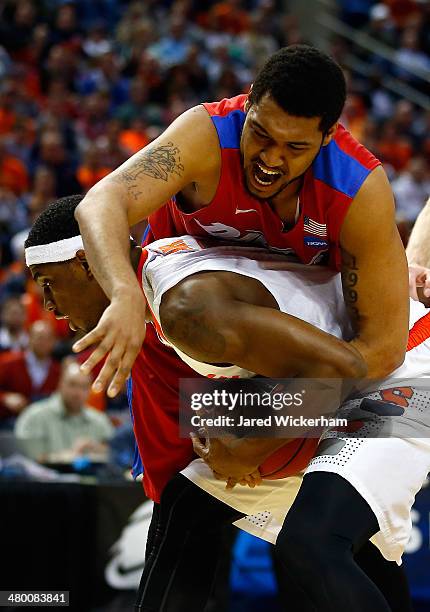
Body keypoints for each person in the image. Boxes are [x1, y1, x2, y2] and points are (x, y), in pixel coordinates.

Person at [24, 195, 419, 612]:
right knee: (196, 500)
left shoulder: (183, 309)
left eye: (47, 282)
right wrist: (233, 433)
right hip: (342, 372)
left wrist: (251, 447)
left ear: (87, 262)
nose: (48, 304)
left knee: (312, 543)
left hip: (395, 369)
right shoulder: (157, 273)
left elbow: (343, 366)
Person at [73, 44, 409, 403]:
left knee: (240, 443)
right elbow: (99, 201)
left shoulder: (357, 187)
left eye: (294, 147)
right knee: (186, 313)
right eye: (261, 133)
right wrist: (122, 292)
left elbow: (385, 348)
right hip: (177, 315)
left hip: (290, 331)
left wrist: (279, 409)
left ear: (327, 136)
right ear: (248, 103)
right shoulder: (207, 135)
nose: (271, 158)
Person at [15, 359, 114, 463]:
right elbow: (26, 461)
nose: (77, 393)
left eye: (84, 387)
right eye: (72, 385)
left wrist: (97, 448)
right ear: (60, 384)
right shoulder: (34, 416)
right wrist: (64, 458)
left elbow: (117, 454)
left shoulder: (99, 420)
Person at [0, 319, 60, 426]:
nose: (43, 342)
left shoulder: (58, 370)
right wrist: (5, 398)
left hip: (44, 425)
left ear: (54, 342)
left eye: (48, 338)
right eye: (39, 337)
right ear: (29, 338)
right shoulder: (9, 362)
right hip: (9, 422)